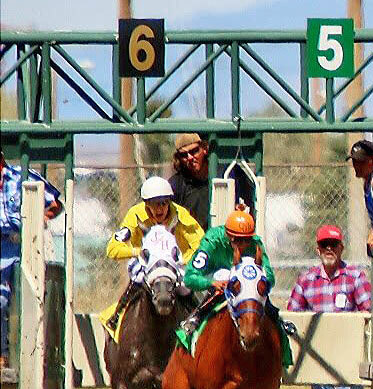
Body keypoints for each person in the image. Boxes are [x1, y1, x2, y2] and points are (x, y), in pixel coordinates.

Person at [286, 224, 372, 389]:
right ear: (317, 249)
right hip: (316, 355)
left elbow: (367, 313)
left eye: (333, 245)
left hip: (346, 355)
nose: (329, 249)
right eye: (325, 245)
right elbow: (293, 314)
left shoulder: (355, 278)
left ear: (341, 248)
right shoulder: (306, 281)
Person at [180, 206, 294, 367]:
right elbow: (190, 277)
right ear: (227, 235)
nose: (242, 244)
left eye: (246, 240)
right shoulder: (212, 241)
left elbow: (269, 276)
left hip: (245, 289)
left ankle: (284, 357)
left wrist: (258, 282)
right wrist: (211, 283)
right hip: (216, 285)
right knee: (223, 274)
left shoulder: (255, 243)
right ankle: (195, 321)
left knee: (273, 316)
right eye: (236, 240)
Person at [104, 176, 204, 330]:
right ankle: (117, 316)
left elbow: (200, 244)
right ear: (146, 204)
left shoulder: (181, 215)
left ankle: (199, 319)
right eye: (154, 204)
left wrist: (184, 260)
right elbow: (112, 249)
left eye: (164, 203)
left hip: (175, 266)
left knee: (185, 286)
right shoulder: (134, 215)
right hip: (146, 265)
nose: (160, 209)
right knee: (137, 276)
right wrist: (138, 252)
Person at [0, 151, 63, 370]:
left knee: (12, 300)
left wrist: (38, 220)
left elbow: (55, 203)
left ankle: (11, 356)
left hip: (18, 246)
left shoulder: (21, 176)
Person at [169, 133, 211, 230]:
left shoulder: (222, 175)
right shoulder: (176, 184)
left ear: (204, 149)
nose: (190, 157)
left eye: (194, 151)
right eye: (184, 155)